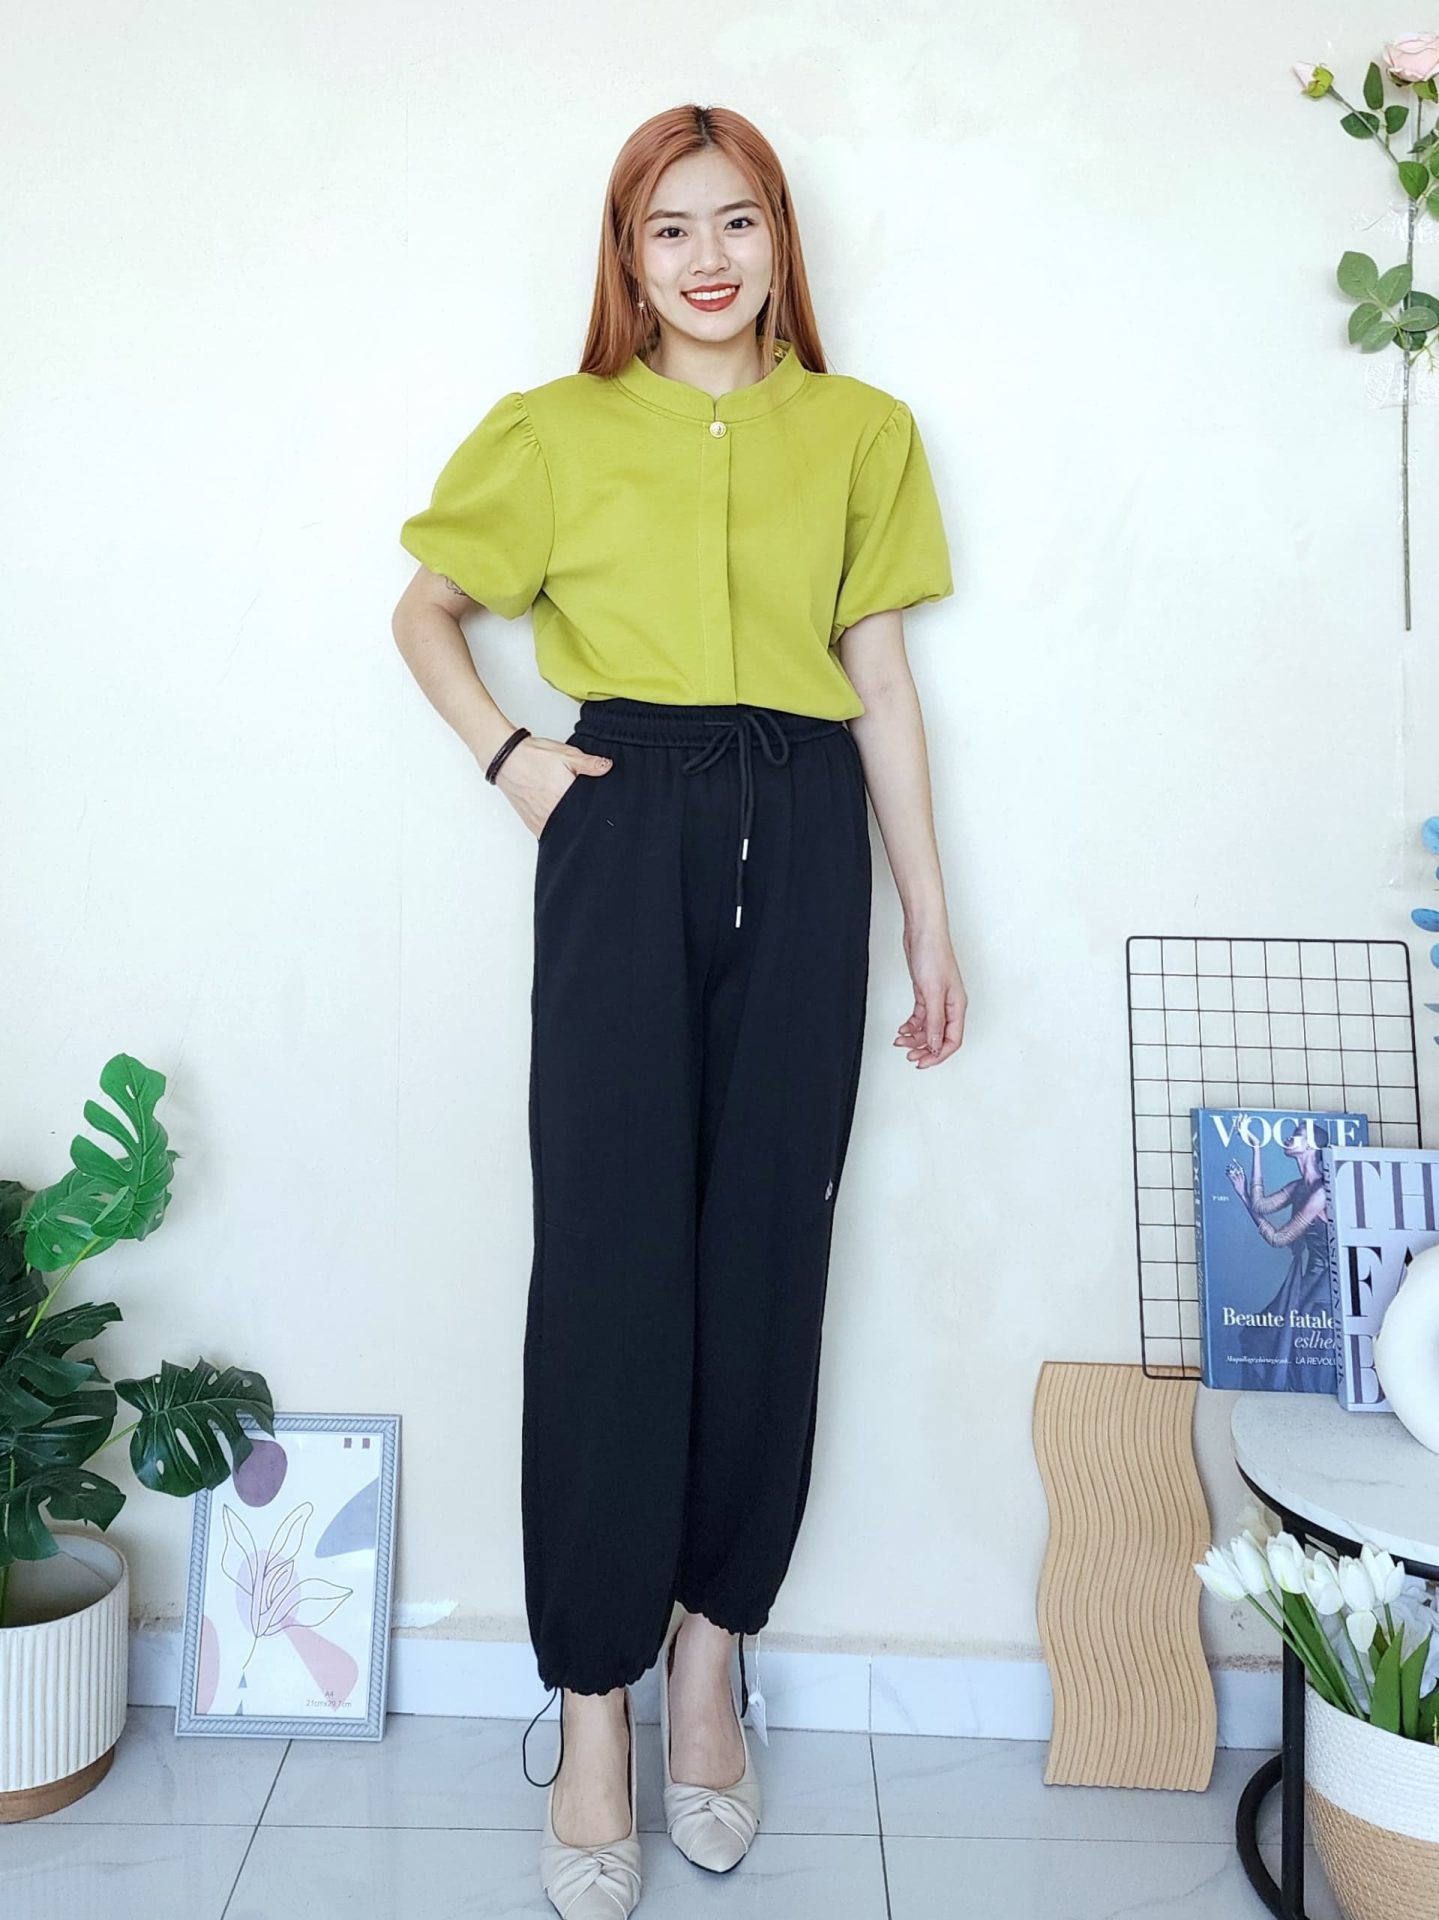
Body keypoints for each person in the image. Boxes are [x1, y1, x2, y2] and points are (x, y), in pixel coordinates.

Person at [391, 102, 969, 1919]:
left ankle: (711, 1658)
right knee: (610, 1261)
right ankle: (593, 1705)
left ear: (780, 240)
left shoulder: (863, 434)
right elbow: (426, 610)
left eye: (738, 222)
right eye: (670, 230)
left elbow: (882, 683)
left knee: (768, 1253)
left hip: (805, 831)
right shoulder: (553, 430)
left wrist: (930, 918)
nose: (709, 260)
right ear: (627, 259)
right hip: (622, 825)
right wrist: (515, 761)